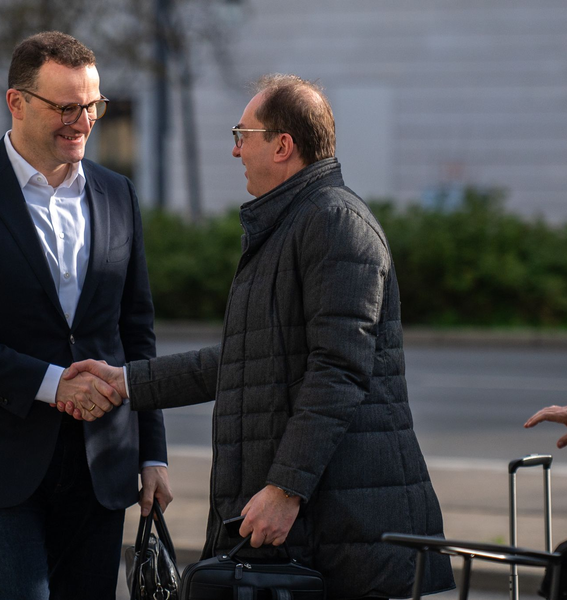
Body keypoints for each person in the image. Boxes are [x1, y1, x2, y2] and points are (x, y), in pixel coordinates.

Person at [61, 75, 455, 599]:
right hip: (311, 524)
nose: (234, 148)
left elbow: (337, 371)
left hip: (340, 526)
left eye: (243, 134)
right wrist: (127, 381)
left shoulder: (334, 222)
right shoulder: (290, 224)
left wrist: (285, 489)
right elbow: (244, 362)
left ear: (283, 145)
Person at [0, 31, 171, 600]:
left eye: (93, 106)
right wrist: (52, 385)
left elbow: (135, 332)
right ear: (17, 102)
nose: (82, 121)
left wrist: (153, 453)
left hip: (104, 462)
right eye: (66, 107)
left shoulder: (117, 193)